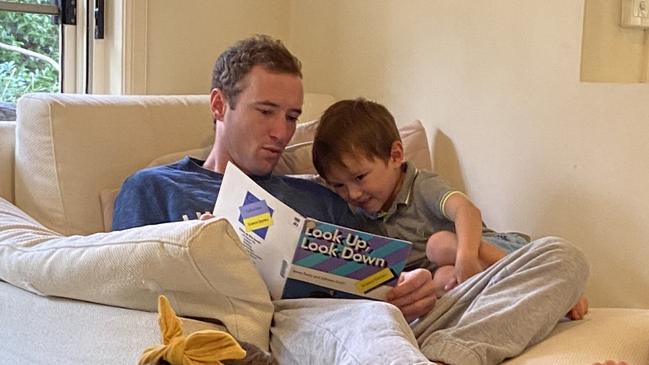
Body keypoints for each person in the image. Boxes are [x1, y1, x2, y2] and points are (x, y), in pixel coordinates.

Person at [113, 35, 590, 365]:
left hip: (391, 319)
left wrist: (409, 287)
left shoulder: (320, 194)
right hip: (287, 325)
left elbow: (384, 270)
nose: (281, 132)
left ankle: (447, 356)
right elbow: (130, 288)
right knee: (359, 326)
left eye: (292, 115)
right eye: (265, 112)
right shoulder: (156, 187)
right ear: (220, 106)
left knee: (561, 258)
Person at [311, 98, 588, 320]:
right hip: (455, 272)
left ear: (395, 156)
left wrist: (465, 256)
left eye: (360, 178)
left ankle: (545, 278)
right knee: (440, 280)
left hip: (493, 248)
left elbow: (466, 211)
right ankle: (538, 296)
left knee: (439, 244)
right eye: (339, 186)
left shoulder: (421, 185)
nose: (353, 194)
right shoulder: (360, 218)